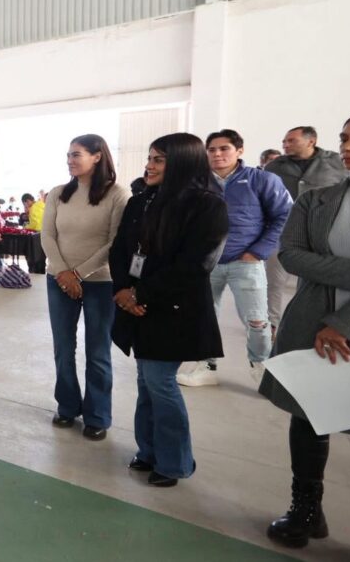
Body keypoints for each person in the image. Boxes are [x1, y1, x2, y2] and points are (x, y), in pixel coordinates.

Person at [260, 106, 350, 557]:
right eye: (345, 137)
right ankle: (306, 510)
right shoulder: (318, 199)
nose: (349, 147)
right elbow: (292, 255)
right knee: (309, 419)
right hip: (313, 324)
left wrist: (345, 324)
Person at [109, 133, 228, 488]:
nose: (149, 165)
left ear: (182, 163)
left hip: (174, 308)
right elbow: (120, 251)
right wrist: (122, 290)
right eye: (150, 157)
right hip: (136, 302)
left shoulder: (207, 206)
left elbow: (194, 265)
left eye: (159, 159)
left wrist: (140, 293)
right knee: (147, 381)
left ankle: (175, 462)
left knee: (160, 382)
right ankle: (148, 451)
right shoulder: (142, 201)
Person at [178, 130, 293, 387]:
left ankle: (262, 369)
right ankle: (206, 367)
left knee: (257, 320)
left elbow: (284, 217)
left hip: (246, 262)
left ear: (239, 151)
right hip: (206, 264)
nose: (217, 154)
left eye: (224, 148)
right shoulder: (195, 183)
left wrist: (257, 252)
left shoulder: (262, 180)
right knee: (203, 317)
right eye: (212, 150)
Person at [41, 135, 129, 441]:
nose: (69, 160)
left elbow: (115, 242)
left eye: (76, 155)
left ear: (97, 157)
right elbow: (47, 236)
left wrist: (78, 274)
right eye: (67, 155)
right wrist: (64, 273)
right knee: (63, 348)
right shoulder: (58, 194)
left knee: (98, 351)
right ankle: (67, 406)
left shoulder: (117, 195)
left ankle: (97, 415)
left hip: (100, 283)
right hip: (58, 281)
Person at [264, 125, 349, 333]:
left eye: (291, 140)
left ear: (311, 141)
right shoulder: (275, 167)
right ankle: (271, 325)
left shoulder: (337, 162)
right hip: (283, 231)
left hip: (325, 231)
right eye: (284, 141)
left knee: (317, 281)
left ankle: (323, 323)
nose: (285, 145)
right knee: (275, 281)